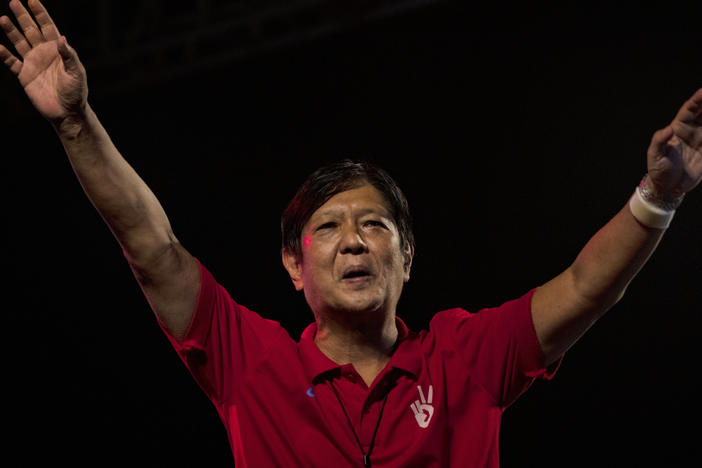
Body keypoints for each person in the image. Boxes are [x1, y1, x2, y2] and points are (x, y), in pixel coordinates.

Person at [1, 1, 700, 466]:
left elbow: (583, 288)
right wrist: (75, 124)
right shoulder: (249, 362)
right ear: (292, 265)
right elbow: (152, 248)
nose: (355, 241)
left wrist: (660, 195)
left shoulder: (467, 358)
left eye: (375, 225)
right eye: (329, 228)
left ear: (407, 257)